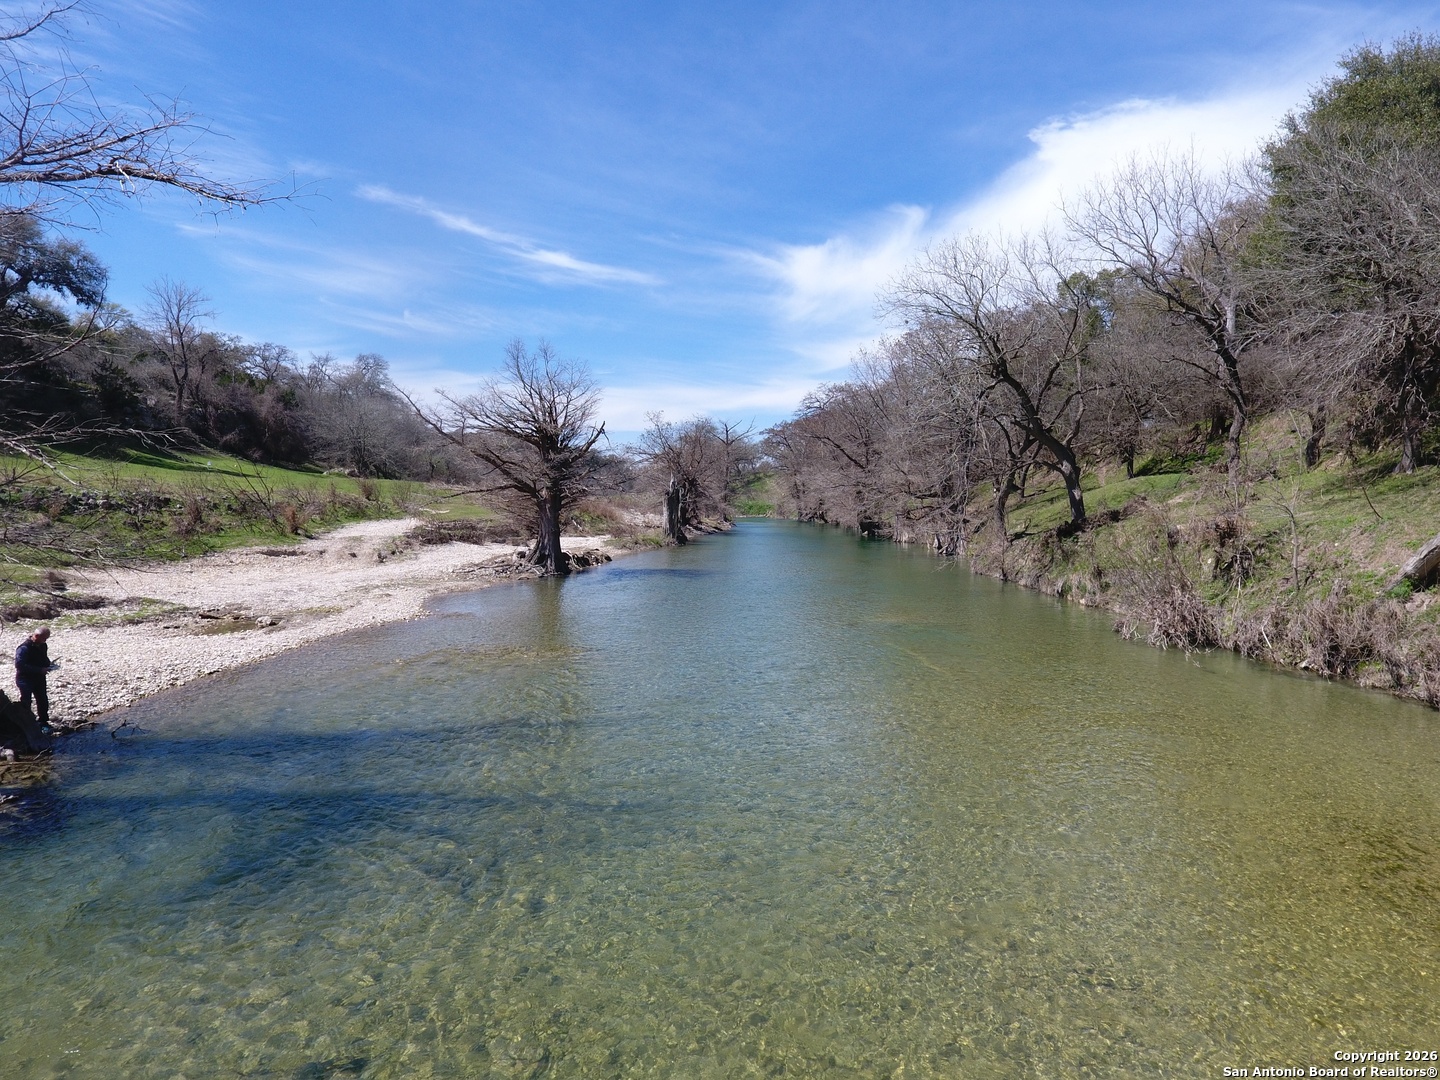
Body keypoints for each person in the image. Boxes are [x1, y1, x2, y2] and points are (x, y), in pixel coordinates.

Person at [14, 626, 54, 733]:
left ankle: (43, 722)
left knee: (42, 700)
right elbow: (19, 665)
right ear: (36, 636)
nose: (45, 641)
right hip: (25, 679)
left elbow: (44, 658)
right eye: (44, 638)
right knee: (26, 701)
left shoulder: (43, 645)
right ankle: (26, 724)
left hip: (39, 678)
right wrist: (39, 670)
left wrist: (49, 665)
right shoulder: (24, 648)